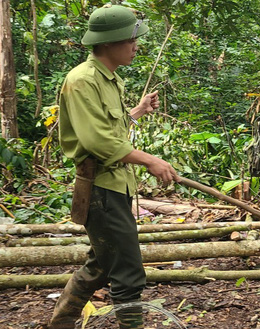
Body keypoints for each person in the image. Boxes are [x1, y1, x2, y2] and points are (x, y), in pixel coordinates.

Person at [50, 5, 179, 329]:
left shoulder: (111, 80)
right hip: (100, 189)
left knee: (101, 264)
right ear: (109, 42)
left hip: (116, 186)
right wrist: (150, 160)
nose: (136, 45)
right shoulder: (81, 80)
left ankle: (61, 322)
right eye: (131, 39)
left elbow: (111, 130)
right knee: (128, 274)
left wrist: (136, 112)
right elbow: (98, 142)